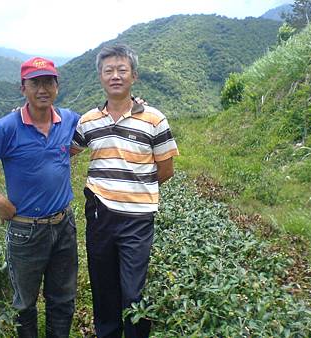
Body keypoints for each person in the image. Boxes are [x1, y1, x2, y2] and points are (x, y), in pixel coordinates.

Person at [0, 57, 80, 338]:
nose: (43, 89)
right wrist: (0, 202)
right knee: (25, 303)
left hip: (64, 225)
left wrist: (132, 104)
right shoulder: (7, 127)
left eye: (48, 82)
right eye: (35, 83)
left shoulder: (70, 120)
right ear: (22, 88)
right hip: (26, 230)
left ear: (57, 86)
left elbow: (99, 127)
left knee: (63, 298)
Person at [72, 44, 179, 338]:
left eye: (122, 70)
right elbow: (66, 150)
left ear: (134, 76)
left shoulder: (154, 119)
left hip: (137, 219)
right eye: (109, 70)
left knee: (134, 291)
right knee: (103, 288)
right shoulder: (88, 121)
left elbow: (166, 170)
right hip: (99, 215)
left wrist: (136, 188)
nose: (115, 76)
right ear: (100, 77)